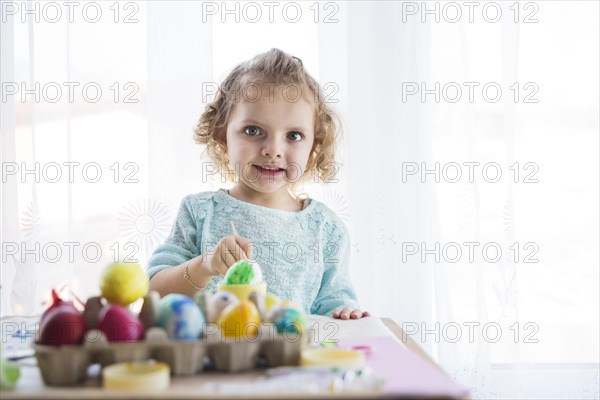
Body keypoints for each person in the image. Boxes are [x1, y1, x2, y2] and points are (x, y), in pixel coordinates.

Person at [147, 48, 369, 320]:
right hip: (212, 360)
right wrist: (205, 265)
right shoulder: (199, 212)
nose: (272, 149)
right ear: (222, 134)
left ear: (315, 145)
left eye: (294, 135)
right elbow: (155, 294)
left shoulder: (326, 229)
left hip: (287, 359)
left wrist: (346, 314)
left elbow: (333, 306)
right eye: (253, 131)